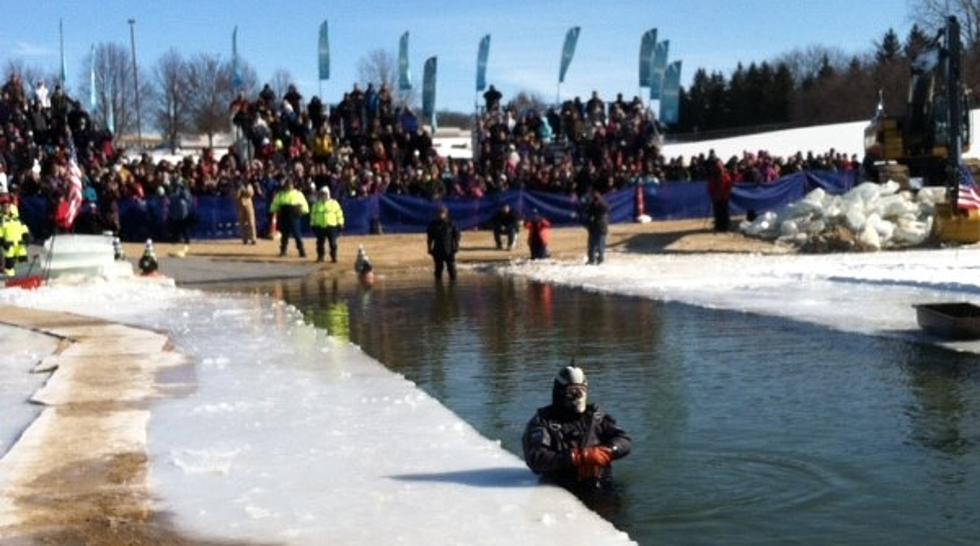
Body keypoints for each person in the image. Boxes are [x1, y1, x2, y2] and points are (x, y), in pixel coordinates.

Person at [522, 365, 631, 490]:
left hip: (601, 483)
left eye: (581, 390)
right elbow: (536, 458)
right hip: (563, 489)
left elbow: (624, 440)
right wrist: (577, 457)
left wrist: (608, 451)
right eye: (572, 391)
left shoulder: (596, 417)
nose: (578, 396)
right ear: (560, 392)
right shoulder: (543, 421)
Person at [270, 177, 310, 257]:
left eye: (290, 184)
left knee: (297, 234)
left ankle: (301, 251)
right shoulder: (280, 195)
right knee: (284, 235)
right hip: (284, 216)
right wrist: (273, 210)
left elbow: (304, 205)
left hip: (294, 217)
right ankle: (283, 251)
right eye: (287, 184)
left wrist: (302, 212)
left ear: (293, 185)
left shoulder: (298, 194)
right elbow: (275, 204)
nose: (288, 186)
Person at [310, 186, 345, 263]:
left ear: (328, 194)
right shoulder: (316, 205)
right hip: (320, 226)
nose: (323, 196)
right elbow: (313, 215)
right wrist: (312, 224)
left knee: (333, 243)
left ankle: (334, 257)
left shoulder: (334, 203)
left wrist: (340, 223)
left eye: (324, 194)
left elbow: (339, 214)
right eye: (321, 194)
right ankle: (320, 257)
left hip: (331, 226)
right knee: (320, 243)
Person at [426, 206, 460, 282]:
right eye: (438, 213)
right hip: (438, 250)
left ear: (446, 214)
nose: (440, 215)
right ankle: (438, 287)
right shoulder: (433, 224)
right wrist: (429, 248)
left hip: (449, 250)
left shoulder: (451, 223)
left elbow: (456, 236)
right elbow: (430, 238)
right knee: (438, 270)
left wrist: (456, 246)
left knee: (452, 270)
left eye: (442, 213)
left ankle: (453, 289)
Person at [1, 198, 30, 278]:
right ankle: (10, 279)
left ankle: (25, 277)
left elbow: (24, 229)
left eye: (8, 206)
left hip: (20, 245)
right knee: (9, 263)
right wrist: (3, 242)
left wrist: (26, 237)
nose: (6, 208)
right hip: (9, 246)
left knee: (23, 260)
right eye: (4, 207)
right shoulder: (2, 221)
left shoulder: (17, 219)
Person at [583, 188, 609, 264]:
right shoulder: (595, 205)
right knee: (593, 244)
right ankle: (593, 259)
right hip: (596, 227)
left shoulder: (601, 205)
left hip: (599, 227)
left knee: (597, 244)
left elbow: (605, 209)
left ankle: (598, 259)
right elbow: (588, 213)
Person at [707, 159, 733, 232]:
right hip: (722, 196)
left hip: (720, 196)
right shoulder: (724, 173)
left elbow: (726, 184)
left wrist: (712, 194)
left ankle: (721, 226)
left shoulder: (718, 173)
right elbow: (728, 184)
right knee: (723, 211)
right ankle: (723, 226)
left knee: (720, 211)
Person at [236, 178, 257, 245]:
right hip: (240, 205)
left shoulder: (250, 186)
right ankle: (244, 239)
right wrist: (240, 189)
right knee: (242, 223)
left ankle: (253, 238)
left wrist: (244, 191)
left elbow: (251, 194)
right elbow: (237, 196)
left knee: (251, 222)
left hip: (249, 205)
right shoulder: (239, 187)